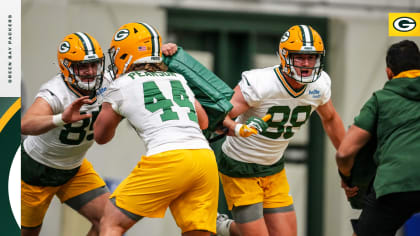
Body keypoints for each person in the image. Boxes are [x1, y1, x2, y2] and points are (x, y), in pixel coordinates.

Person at [216, 25, 345, 236]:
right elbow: (222, 116)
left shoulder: (319, 85)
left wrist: (347, 162)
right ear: (285, 56)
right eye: (299, 57)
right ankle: (222, 227)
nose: (306, 64)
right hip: (240, 166)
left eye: (311, 58)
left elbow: (330, 118)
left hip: (273, 166)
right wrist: (240, 129)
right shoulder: (261, 82)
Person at [93, 22, 219, 236]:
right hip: (205, 159)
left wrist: (109, 104)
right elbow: (204, 122)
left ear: (126, 53)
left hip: (169, 158)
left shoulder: (120, 85)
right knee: (197, 232)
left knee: (111, 223)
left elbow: (101, 136)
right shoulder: (177, 78)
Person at [21, 32, 112, 236]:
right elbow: (25, 124)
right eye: (82, 66)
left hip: (74, 168)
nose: (90, 71)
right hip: (36, 170)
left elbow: (140, 69)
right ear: (66, 67)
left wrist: (168, 54)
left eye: (94, 64)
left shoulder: (108, 81)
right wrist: (61, 118)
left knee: (111, 220)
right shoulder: (55, 92)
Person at [336, 39, 420, 236]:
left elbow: (345, 152)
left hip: (394, 185)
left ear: (389, 72)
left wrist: (348, 178)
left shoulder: (380, 100)